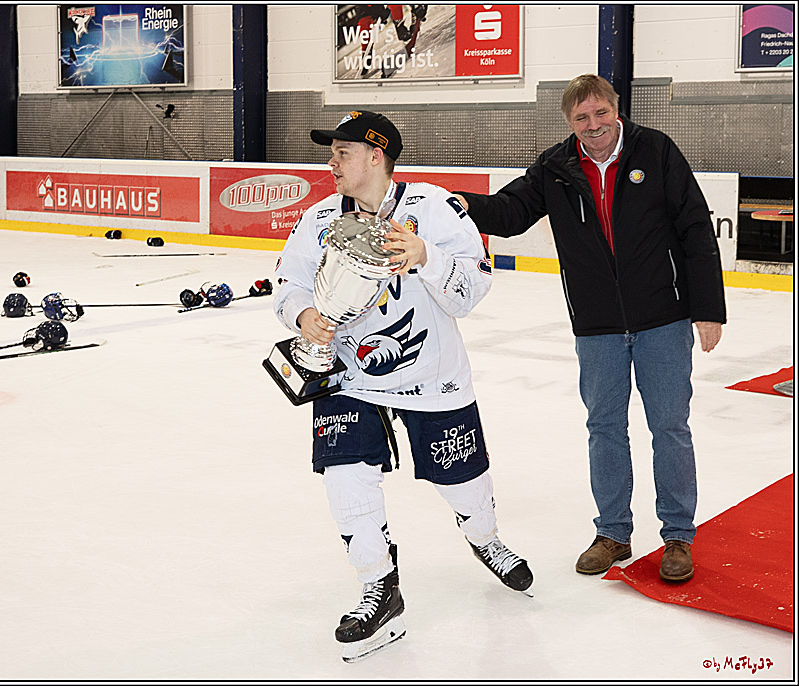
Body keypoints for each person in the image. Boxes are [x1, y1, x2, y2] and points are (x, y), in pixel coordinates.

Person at [273, 110, 533, 663]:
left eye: (341, 152)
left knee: (464, 482)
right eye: (331, 153)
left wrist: (426, 258)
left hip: (432, 378)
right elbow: (288, 283)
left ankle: (485, 538)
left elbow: (472, 289)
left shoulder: (434, 208)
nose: (331, 163)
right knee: (345, 477)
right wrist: (302, 316)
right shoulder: (319, 219)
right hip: (348, 376)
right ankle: (378, 585)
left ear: (376, 156)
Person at [452, 74, 726, 584]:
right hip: (597, 324)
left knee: (670, 427)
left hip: (663, 318)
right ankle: (612, 532)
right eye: (582, 117)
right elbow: (511, 213)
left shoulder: (656, 151)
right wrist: (466, 203)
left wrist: (708, 308)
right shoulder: (555, 168)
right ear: (569, 121)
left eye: (601, 113)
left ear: (615, 109)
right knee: (604, 429)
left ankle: (677, 537)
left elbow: (694, 228)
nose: (594, 124)